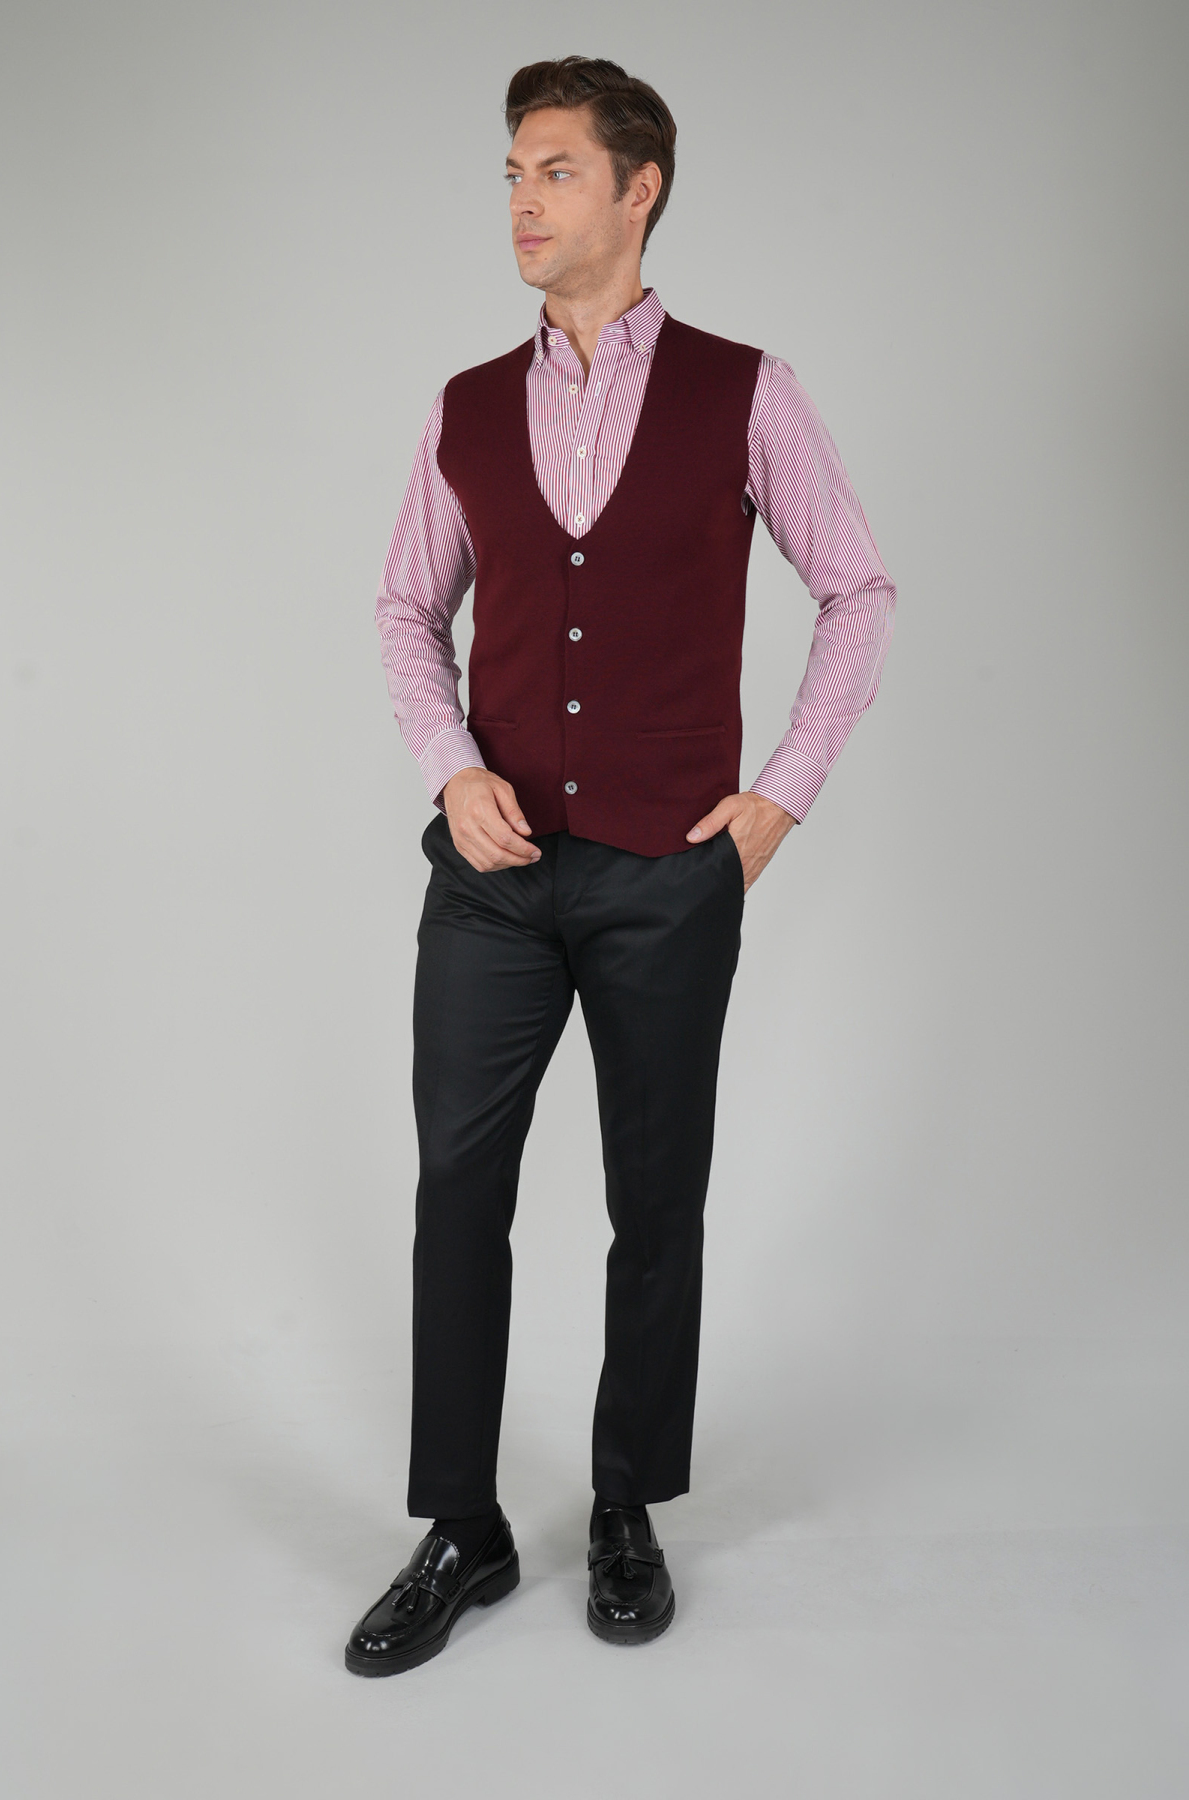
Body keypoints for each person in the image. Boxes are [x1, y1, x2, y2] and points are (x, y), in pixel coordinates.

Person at [347, 55, 895, 1676]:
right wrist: (451, 767)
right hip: (495, 877)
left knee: (657, 1199)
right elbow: (405, 608)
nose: (522, 202)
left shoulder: (746, 391)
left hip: (669, 871)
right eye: (512, 174)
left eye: (556, 171)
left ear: (638, 189)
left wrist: (781, 795)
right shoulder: (464, 406)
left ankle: (624, 1503)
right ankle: (463, 1527)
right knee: (460, 1189)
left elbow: (858, 589)